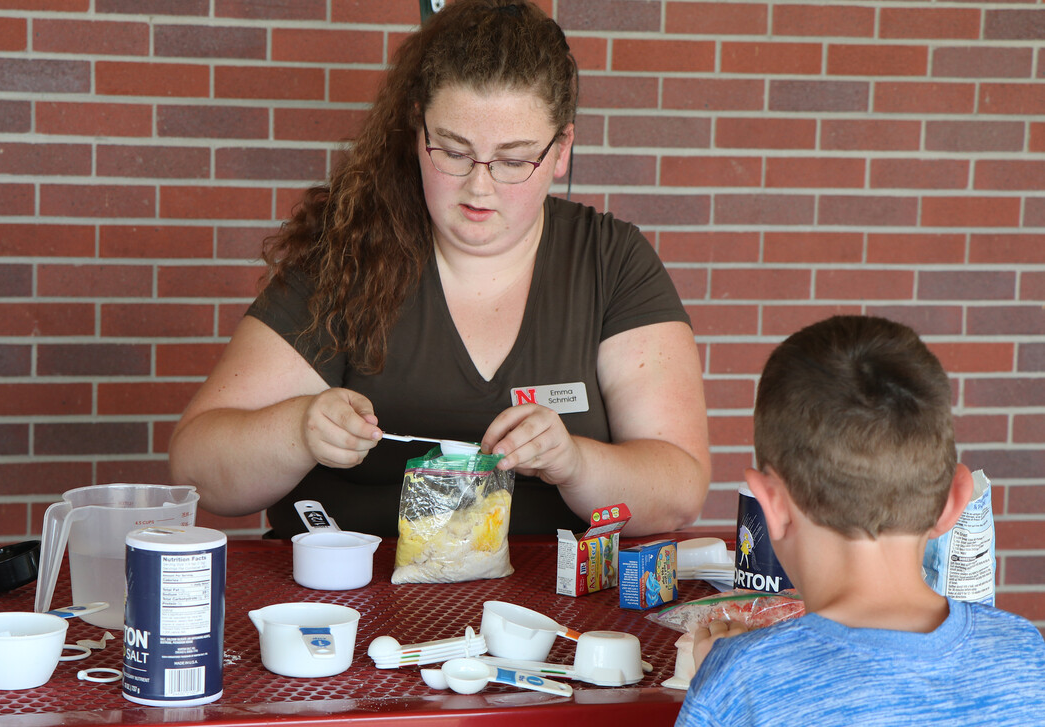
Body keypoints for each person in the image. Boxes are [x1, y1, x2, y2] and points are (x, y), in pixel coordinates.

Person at [168, 0, 710, 539]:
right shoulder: (352, 250)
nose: (480, 187)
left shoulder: (609, 261)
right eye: (452, 152)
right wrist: (298, 429)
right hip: (353, 597)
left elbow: (679, 492)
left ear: (561, 148)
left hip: (551, 609)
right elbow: (198, 470)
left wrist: (574, 464)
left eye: (514, 160)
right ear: (416, 128)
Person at [676, 315, 1045, 726]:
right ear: (956, 500)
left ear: (771, 505)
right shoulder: (1026, 654)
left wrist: (721, 681)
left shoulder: (739, 682)